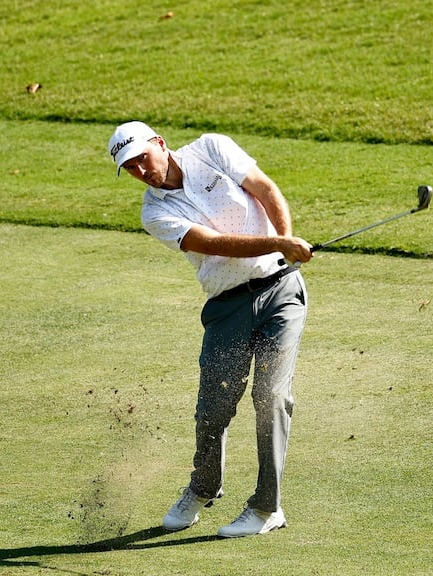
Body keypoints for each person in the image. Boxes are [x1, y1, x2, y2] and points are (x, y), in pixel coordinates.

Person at [107, 121, 313, 538]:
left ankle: (265, 507)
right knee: (213, 408)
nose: (141, 171)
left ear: (160, 144)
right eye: (130, 168)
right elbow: (212, 242)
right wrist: (278, 245)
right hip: (227, 306)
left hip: (282, 291)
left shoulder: (211, 149)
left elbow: (264, 189)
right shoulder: (154, 212)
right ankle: (203, 487)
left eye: (142, 158)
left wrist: (286, 244)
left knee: (271, 394)